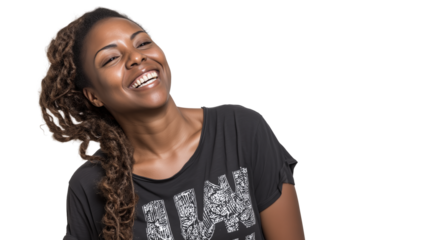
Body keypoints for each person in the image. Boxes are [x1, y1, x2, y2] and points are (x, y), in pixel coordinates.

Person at [38, 6, 305, 240]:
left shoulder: (241, 130)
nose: (136, 58)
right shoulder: (89, 186)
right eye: (111, 59)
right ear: (94, 95)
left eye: (142, 43)